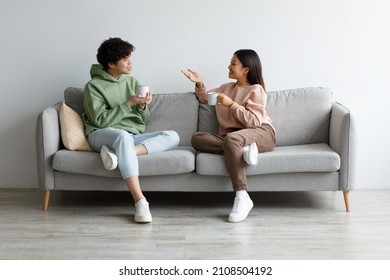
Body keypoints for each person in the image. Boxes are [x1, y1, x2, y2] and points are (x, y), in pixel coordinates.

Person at [83, 37, 180, 223]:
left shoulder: (131, 81)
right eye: (125, 59)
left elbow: (143, 122)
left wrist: (142, 107)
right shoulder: (93, 86)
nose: (130, 62)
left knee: (173, 136)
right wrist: (129, 103)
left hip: (129, 136)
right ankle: (140, 201)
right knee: (121, 137)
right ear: (111, 63)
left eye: (130, 57)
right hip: (101, 134)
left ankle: (120, 154)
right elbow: (100, 120)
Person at [182, 49, 276, 223]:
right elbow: (204, 99)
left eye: (233, 63)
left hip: (261, 132)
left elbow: (254, 121)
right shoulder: (226, 88)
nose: (229, 66)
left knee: (233, 140)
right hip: (235, 137)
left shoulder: (257, 90)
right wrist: (199, 82)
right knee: (197, 138)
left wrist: (232, 105)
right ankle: (242, 149)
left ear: (246, 69)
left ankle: (242, 196)